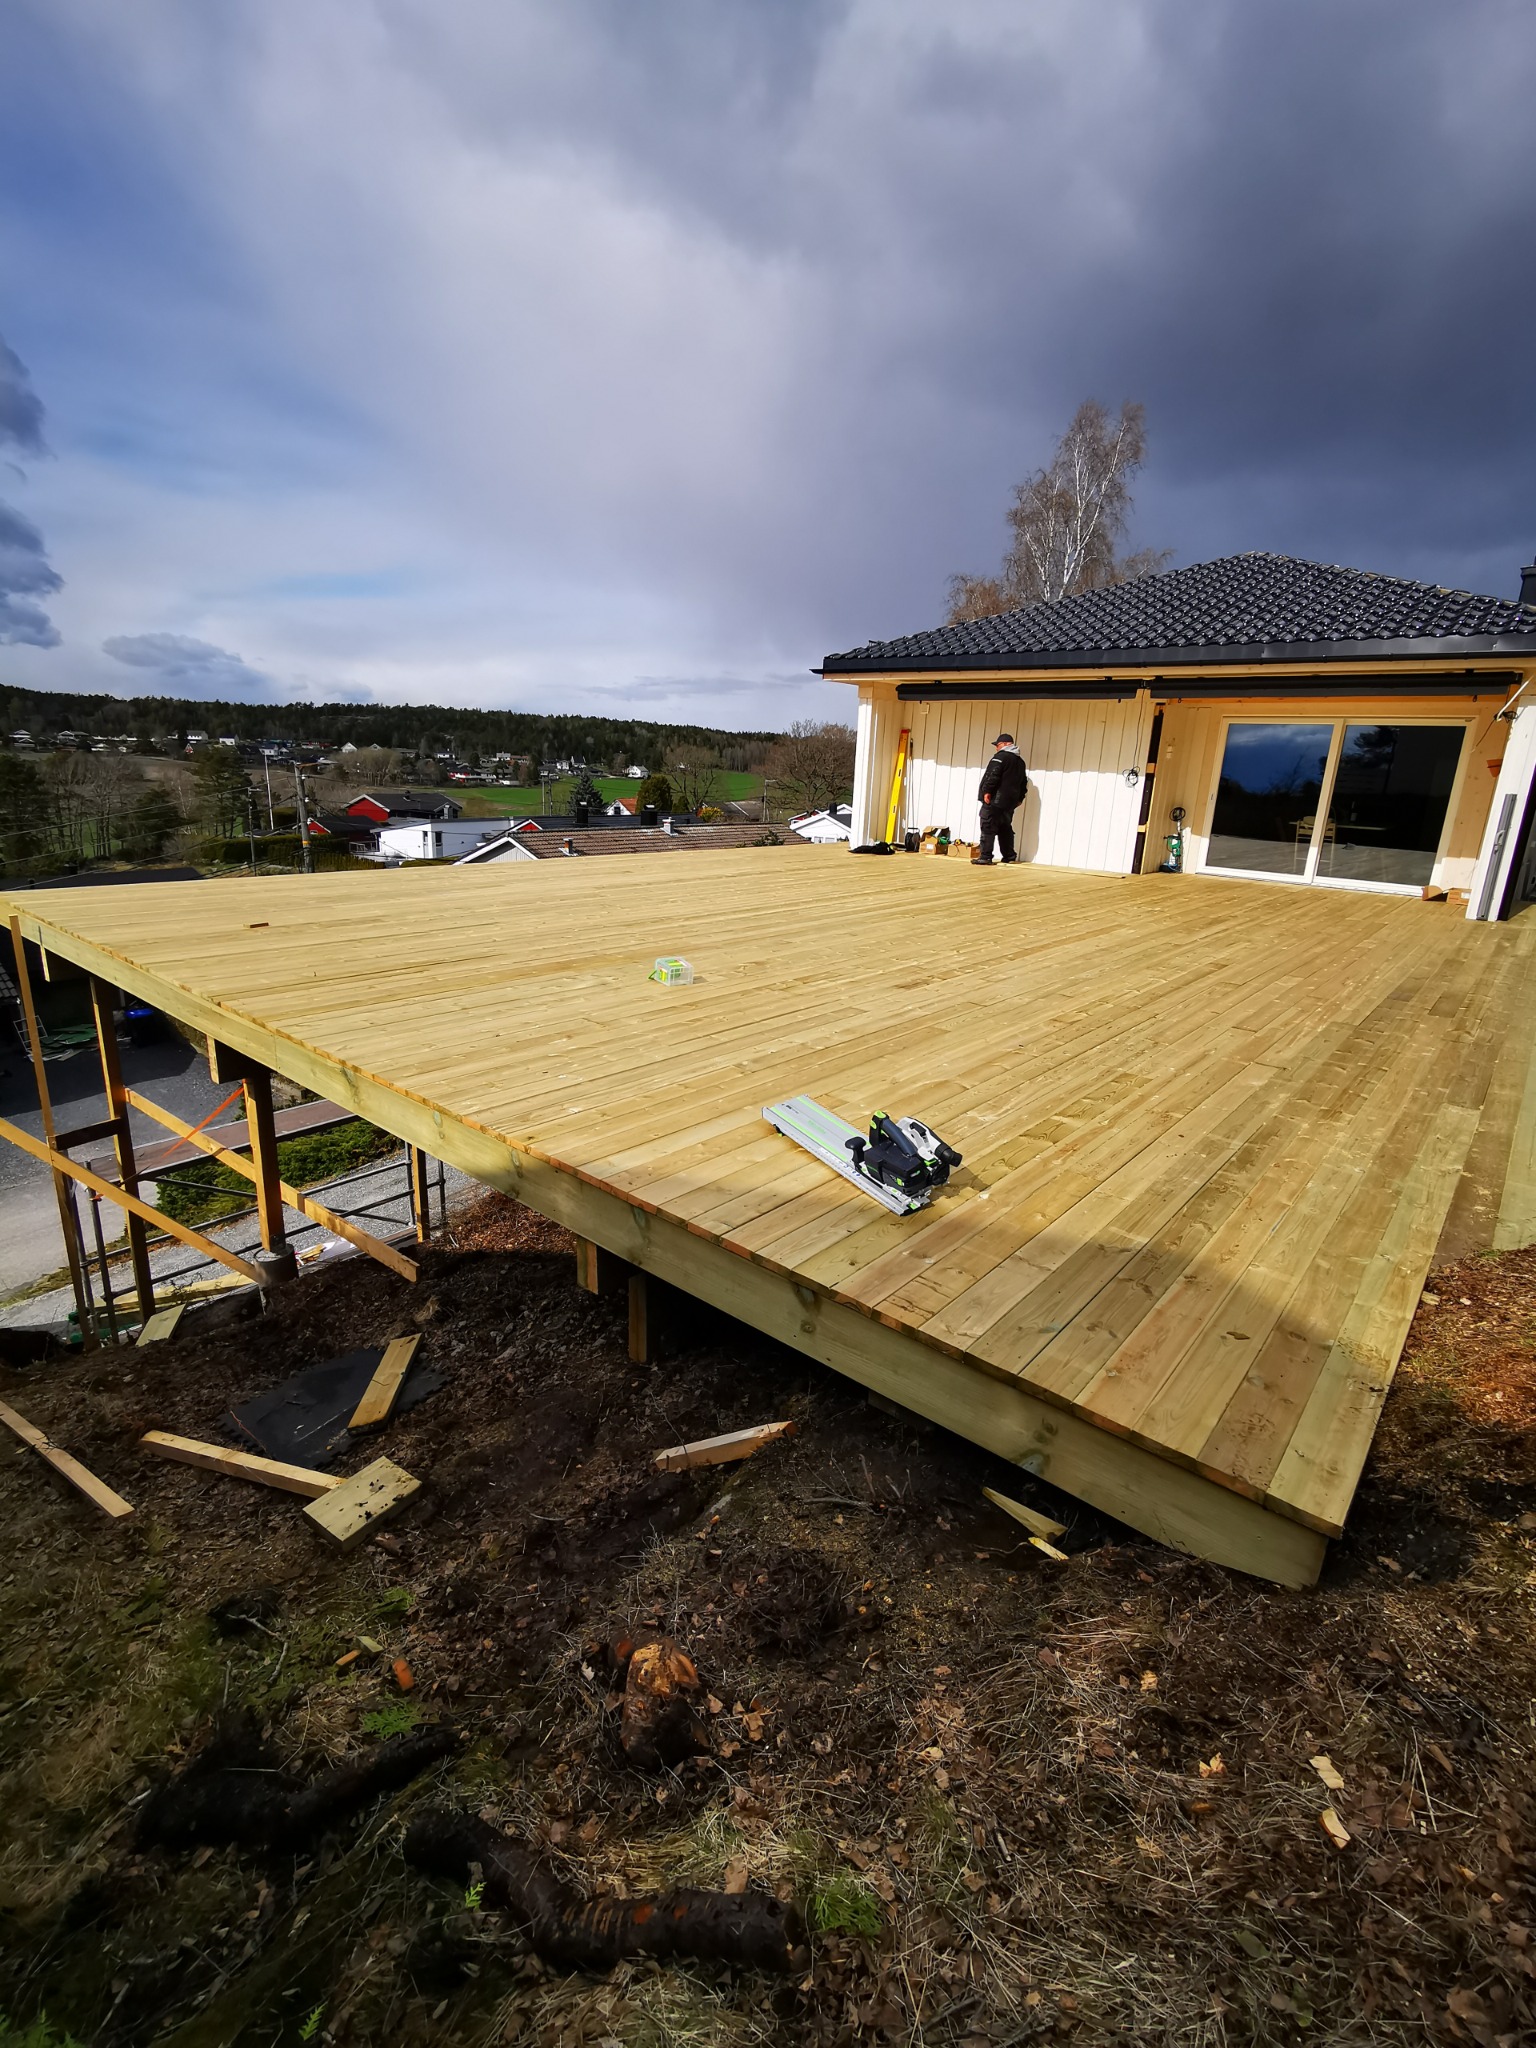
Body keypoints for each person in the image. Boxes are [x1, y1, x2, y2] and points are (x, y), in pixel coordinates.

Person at [973, 733, 1028, 865]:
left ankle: (985, 856)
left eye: (997, 745)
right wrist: (1020, 798)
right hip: (1010, 802)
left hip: (994, 801)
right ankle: (1009, 856)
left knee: (987, 826)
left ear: (1004, 744)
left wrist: (987, 791)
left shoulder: (1000, 757)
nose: (996, 748)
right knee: (1005, 828)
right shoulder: (1020, 762)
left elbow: (993, 775)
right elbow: (1023, 782)